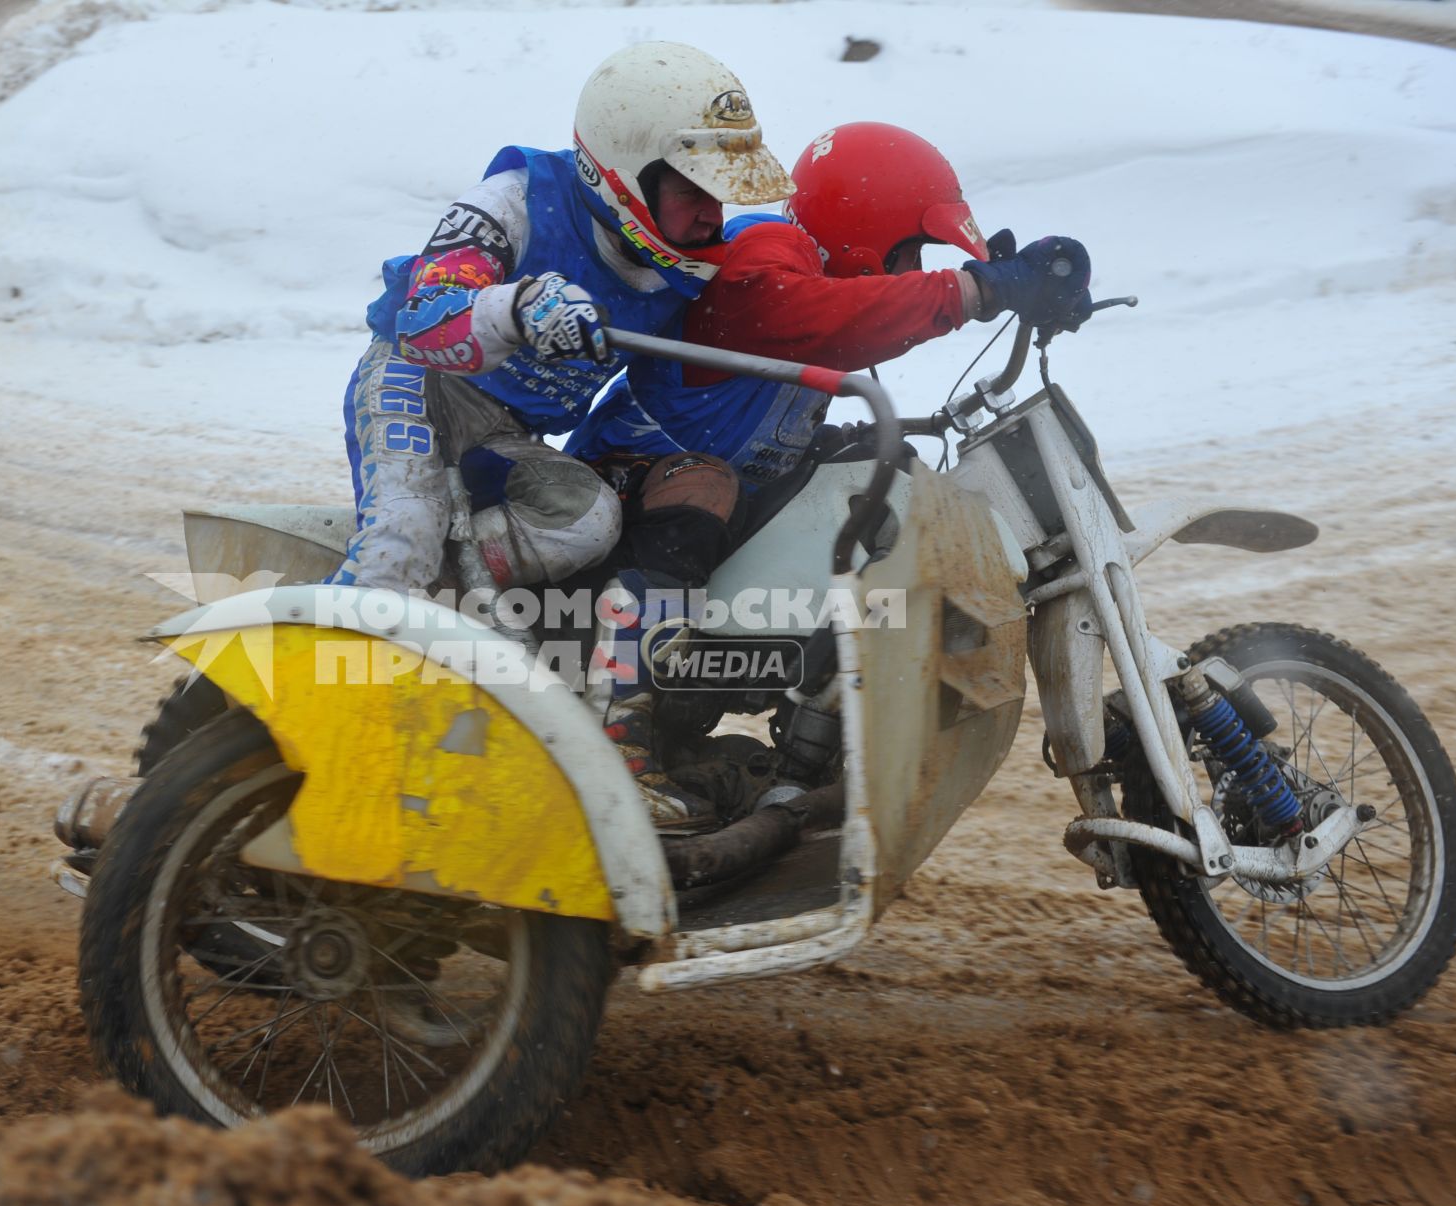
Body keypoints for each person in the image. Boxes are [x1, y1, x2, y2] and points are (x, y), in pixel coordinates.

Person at [565, 122, 1095, 819]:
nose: (909, 272)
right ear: (861, 230)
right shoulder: (762, 256)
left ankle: (809, 742)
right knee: (705, 490)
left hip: (705, 505)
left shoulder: (807, 271)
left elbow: (795, 383)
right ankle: (617, 735)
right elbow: (840, 317)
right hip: (626, 497)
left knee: (871, 484)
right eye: (906, 252)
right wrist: (978, 290)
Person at [325, 41, 793, 595]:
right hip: (419, 387)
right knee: (401, 543)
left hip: (507, 431)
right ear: (625, 175)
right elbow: (423, 323)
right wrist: (517, 309)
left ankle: (441, 608)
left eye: (719, 195)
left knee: (587, 524)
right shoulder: (514, 203)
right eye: (693, 190)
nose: (711, 216)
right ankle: (337, 629)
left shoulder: (687, 270)